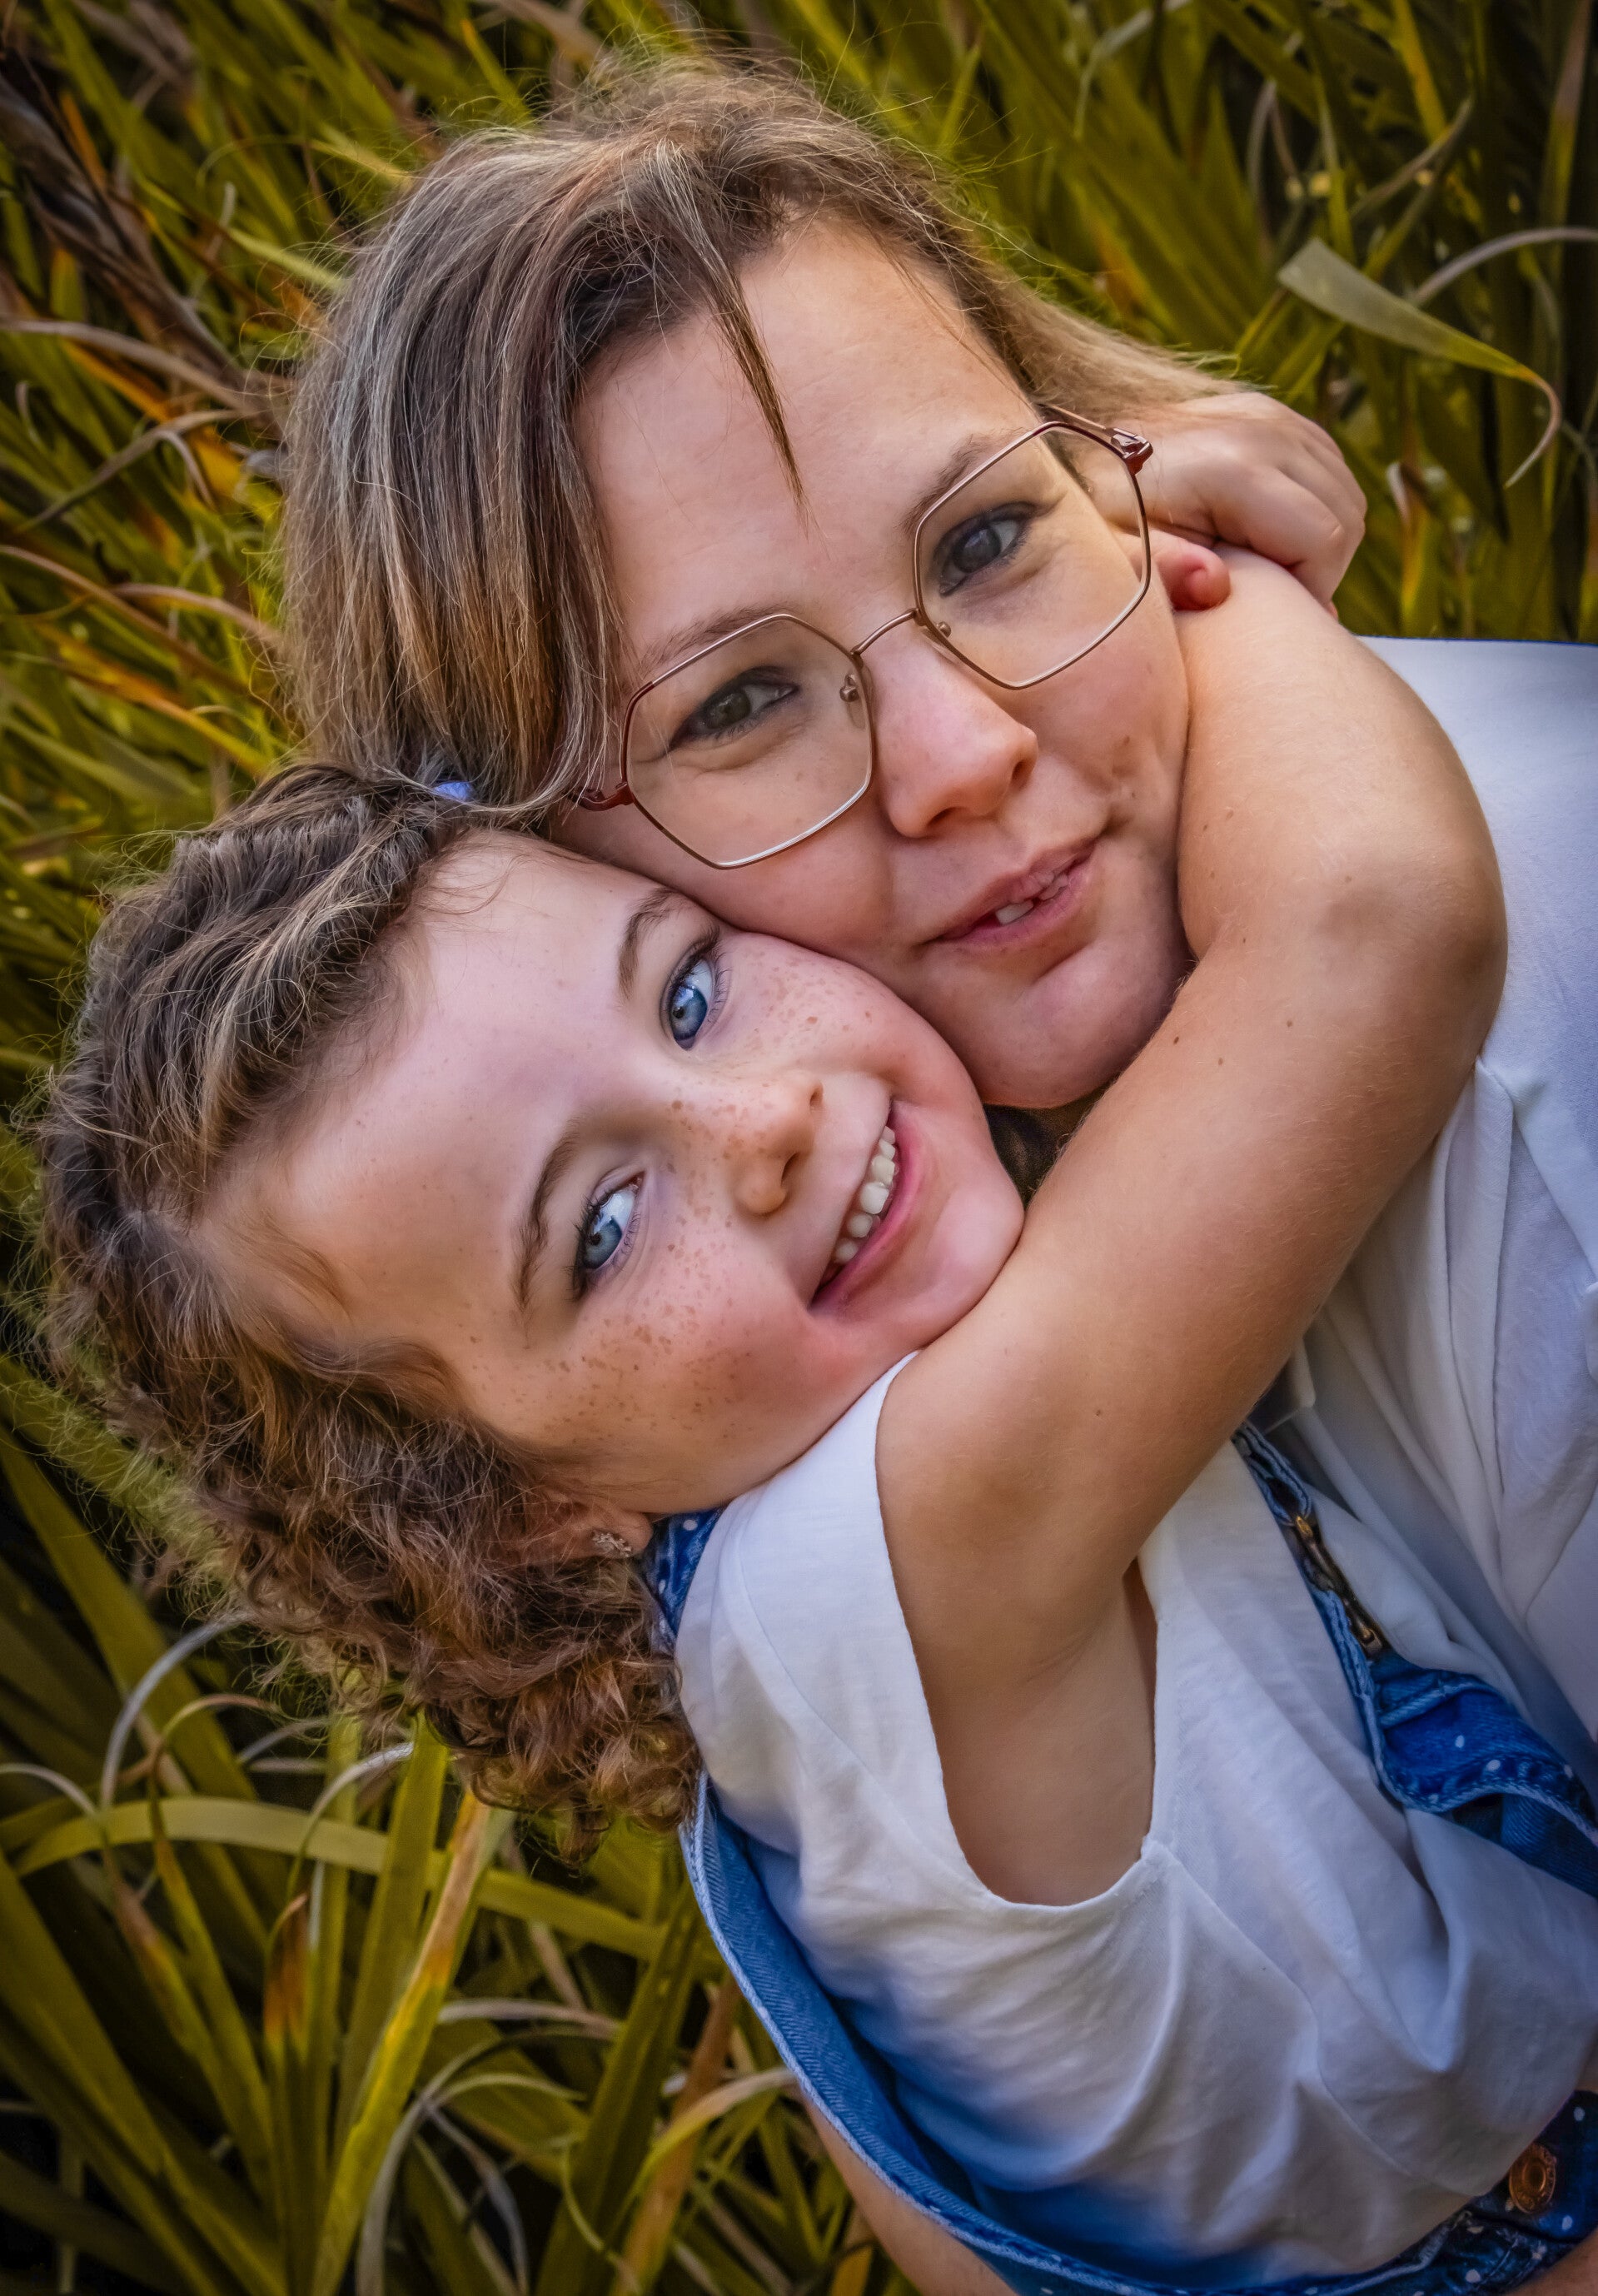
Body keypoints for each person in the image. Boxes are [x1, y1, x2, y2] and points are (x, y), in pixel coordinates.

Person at [36, 570, 1598, 2296]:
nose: (765, 1121)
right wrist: (1163, 577)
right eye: (605, 1229)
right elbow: (1375, 926)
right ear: (529, 1512)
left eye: (691, 991)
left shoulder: (791, 1700)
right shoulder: (881, 1583)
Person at [282, 62, 1598, 1791]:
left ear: (1115, 473)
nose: (969, 753)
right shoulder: (931, 1312)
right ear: (529, 876)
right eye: (742, 700)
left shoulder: (1537, 1107)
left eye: (987, 537)